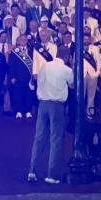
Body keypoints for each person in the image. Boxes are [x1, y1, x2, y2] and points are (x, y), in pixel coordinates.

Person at [27, 54, 74, 184]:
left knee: (39, 138)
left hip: (42, 105)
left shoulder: (44, 66)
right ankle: (52, 175)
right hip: (57, 106)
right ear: (68, 57)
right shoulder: (66, 70)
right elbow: (73, 85)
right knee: (56, 139)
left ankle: (32, 171)